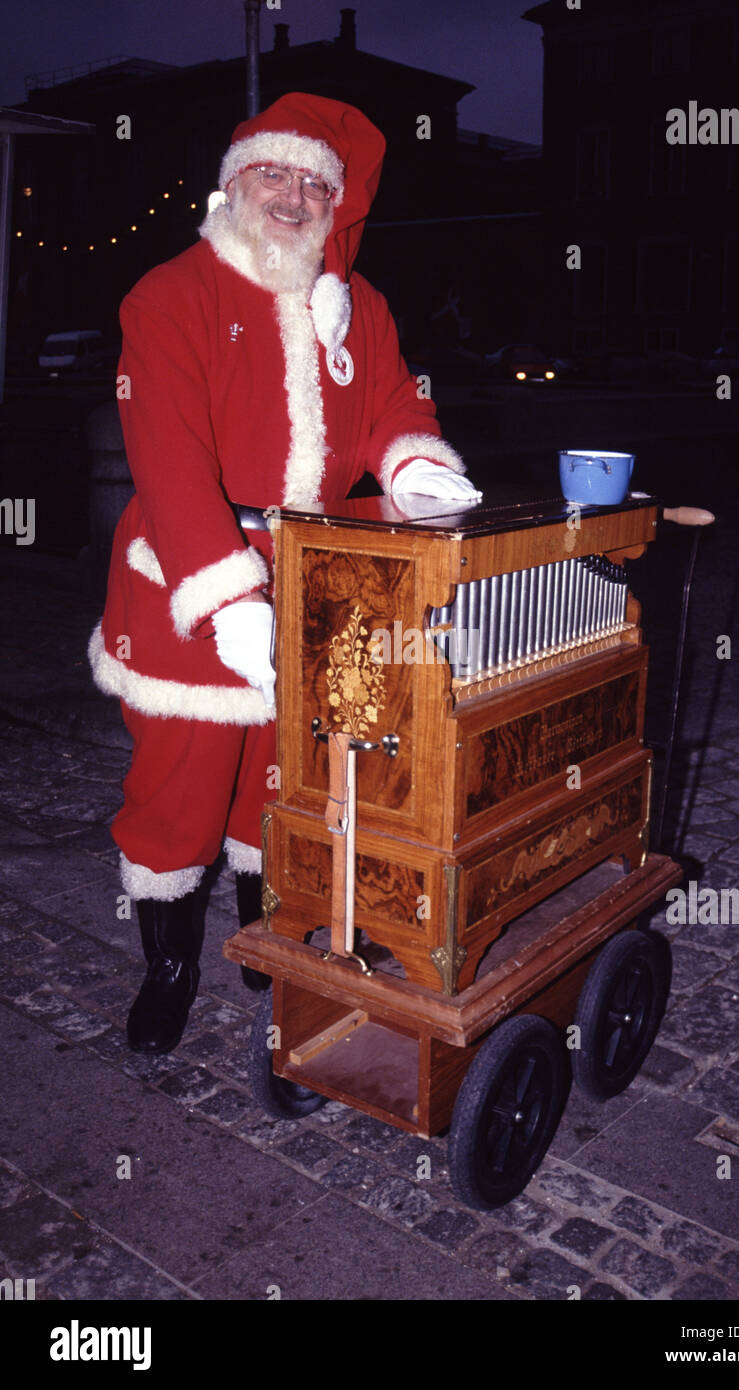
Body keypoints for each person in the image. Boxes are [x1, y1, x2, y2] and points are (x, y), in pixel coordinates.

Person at [88, 92, 479, 1055]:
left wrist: (418, 469)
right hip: (189, 583)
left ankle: (275, 937)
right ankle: (170, 968)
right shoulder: (170, 295)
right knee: (181, 788)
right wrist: (228, 598)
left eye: (316, 182)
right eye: (276, 172)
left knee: (287, 781)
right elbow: (168, 457)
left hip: (316, 583)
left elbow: (392, 405)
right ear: (232, 184)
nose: (295, 196)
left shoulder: (359, 306)